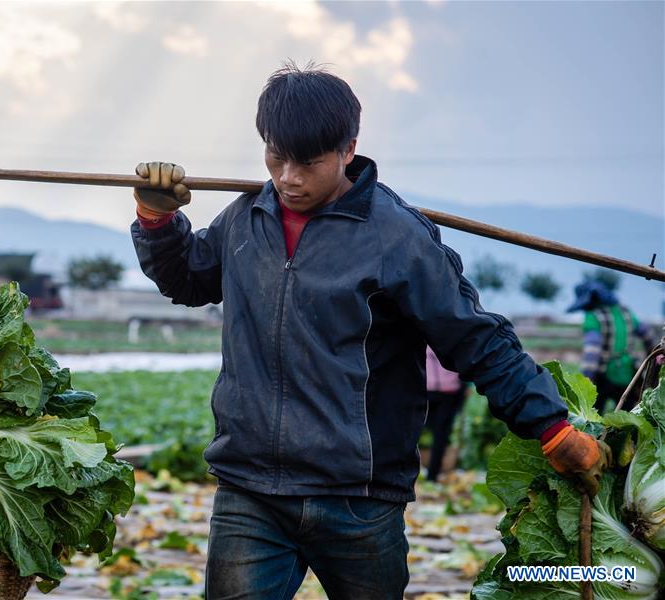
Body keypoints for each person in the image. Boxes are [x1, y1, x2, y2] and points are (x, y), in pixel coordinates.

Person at [129, 62, 609, 600]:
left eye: (308, 163)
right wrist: (157, 220)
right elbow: (188, 279)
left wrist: (551, 426)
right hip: (251, 489)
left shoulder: (396, 236)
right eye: (275, 156)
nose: (288, 177)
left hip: (359, 499)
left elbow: (473, 337)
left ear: (348, 150)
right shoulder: (247, 218)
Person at [568, 280, 658, 412]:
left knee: (594, 414)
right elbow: (648, 336)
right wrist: (654, 361)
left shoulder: (593, 316)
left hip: (604, 375)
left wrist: (586, 381)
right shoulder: (625, 313)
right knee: (626, 417)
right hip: (628, 374)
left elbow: (592, 352)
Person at [424, 346, 468, 482]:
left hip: (445, 392)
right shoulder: (451, 333)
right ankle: (430, 475)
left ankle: (432, 476)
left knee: (440, 435)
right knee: (438, 434)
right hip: (433, 390)